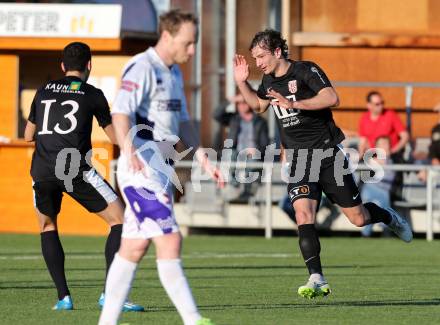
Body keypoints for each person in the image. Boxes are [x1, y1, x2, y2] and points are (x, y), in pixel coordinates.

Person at [233, 29, 412, 299]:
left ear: (278, 52)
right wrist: (241, 83)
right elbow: (259, 106)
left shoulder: (306, 70)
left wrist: (295, 104)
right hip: (298, 159)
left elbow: (332, 98)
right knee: (303, 215)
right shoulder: (268, 81)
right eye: (254, 58)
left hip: (328, 154)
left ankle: (388, 217)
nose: (257, 63)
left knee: (358, 218)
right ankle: (316, 276)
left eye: (261, 56)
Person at [98, 10, 222, 325]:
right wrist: (128, 149)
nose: (192, 50)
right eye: (188, 43)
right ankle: (193, 319)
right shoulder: (141, 67)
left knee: (133, 248)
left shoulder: (174, 72)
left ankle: (106, 321)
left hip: (161, 171)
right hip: (141, 171)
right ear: (167, 37)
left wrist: (202, 156)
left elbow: (181, 121)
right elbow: (120, 112)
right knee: (169, 239)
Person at [23, 42, 143, 311]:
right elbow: (114, 135)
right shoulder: (92, 94)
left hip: (41, 171)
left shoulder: (43, 91)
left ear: (62, 66)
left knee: (48, 226)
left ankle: (63, 298)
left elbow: (28, 135)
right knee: (120, 221)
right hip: (75, 168)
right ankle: (110, 295)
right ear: (89, 65)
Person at [213, 93, 269, 201]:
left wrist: (256, 151)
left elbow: (265, 144)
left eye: (244, 102)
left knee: (253, 161)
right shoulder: (234, 119)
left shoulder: (260, 122)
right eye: (239, 103)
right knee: (229, 155)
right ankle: (235, 185)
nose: (241, 106)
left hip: (253, 154)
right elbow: (216, 115)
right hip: (236, 152)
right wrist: (232, 99)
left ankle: (248, 192)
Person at [358, 91, 409, 159]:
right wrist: (360, 156)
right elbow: (363, 141)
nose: (381, 106)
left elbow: (405, 136)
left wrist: (393, 151)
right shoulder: (364, 118)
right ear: (369, 105)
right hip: (373, 157)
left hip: (390, 157)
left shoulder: (390, 115)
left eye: (382, 103)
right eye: (377, 104)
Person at [360, 136, 395, 237]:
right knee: (380, 198)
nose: (384, 146)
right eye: (382, 144)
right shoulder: (371, 160)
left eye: (386, 144)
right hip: (370, 189)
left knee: (379, 202)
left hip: (385, 191)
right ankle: (386, 229)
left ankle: (366, 233)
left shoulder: (395, 159)